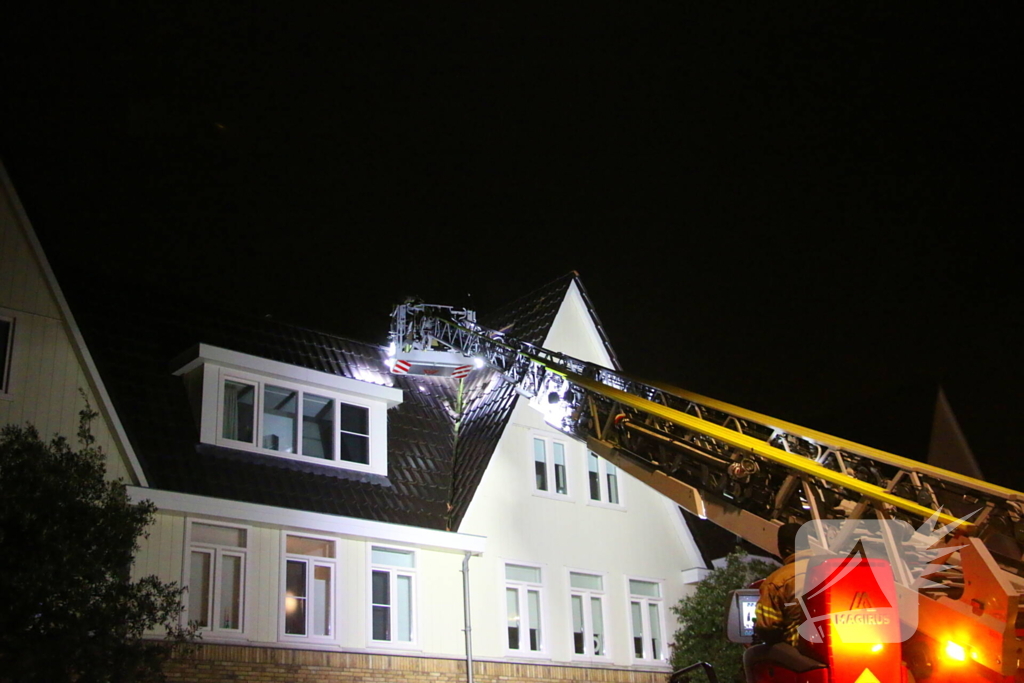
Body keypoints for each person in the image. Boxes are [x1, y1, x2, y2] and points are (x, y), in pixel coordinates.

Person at [743, 523, 824, 681]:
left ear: (785, 549)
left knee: (752, 655)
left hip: (804, 652)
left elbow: (767, 627)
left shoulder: (778, 580)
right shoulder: (835, 570)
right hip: (844, 649)